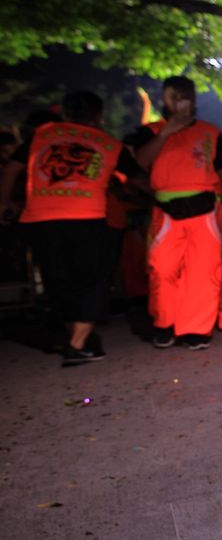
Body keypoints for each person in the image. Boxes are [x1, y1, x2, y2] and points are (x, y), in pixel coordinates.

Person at [0, 92, 137, 365]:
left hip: (40, 220)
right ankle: (77, 344)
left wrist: (3, 201)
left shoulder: (43, 135)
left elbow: (12, 170)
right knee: (93, 279)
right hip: (86, 219)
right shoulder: (109, 144)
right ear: (98, 117)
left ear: (65, 113)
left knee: (58, 280)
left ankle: (80, 340)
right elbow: (136, 179)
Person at [131, 76, 222, 349]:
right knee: (162, 268)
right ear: (165, 99)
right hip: (166, 211)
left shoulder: (210, 131)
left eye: (185, 96)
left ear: (193, 99)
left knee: (204, 271)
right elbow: (141, 161)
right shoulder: (151, 131)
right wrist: (166, 133)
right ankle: (165, 323)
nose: (179, 101)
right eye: (173, 96)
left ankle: (195, 329)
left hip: (204, 208)